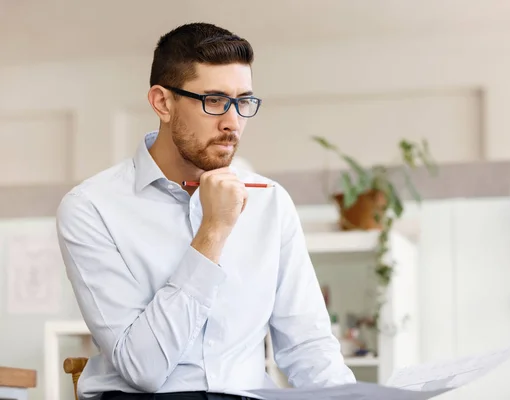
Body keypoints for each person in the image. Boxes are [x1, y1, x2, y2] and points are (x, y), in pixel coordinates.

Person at [56, 22, 356, 400]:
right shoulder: (91, 208)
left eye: (243, 101)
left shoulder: (270, 201)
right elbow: (142, 369)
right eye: (213, 101)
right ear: (163, 103)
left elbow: (307, 345)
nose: (232, 122)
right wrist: (213, 230)